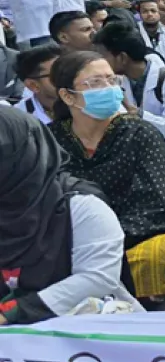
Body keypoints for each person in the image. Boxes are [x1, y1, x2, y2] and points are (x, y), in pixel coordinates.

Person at [49, 51, 165, 299]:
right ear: (67, 95)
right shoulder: (49, 140)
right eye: (96, 83)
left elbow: (163, 203)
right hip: (67, 239)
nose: (109, 88)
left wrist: (104, 238)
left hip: (132, 236)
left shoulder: (139, 133)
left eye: (112, 80)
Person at [0, 107, 140, 324]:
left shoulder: (82, 206)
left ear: (22, 155)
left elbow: (96, 279)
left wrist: (12, 313)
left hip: (86, 335)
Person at [92, 19, 165, 150]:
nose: (99, 62)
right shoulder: (118, 80)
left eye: (102, 57)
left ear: (122, 58)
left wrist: (137, 113)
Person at [15, 43, 60, 123]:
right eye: (57, 74)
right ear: (33, 85)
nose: (68, 77)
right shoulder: (18, 119)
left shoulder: (85, 102)